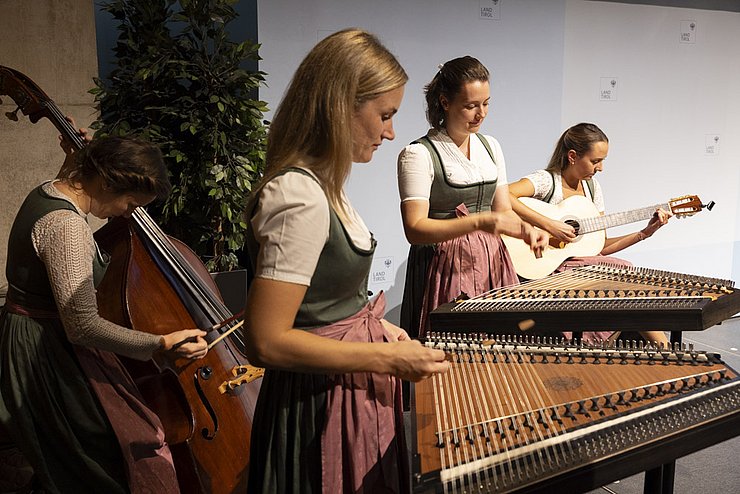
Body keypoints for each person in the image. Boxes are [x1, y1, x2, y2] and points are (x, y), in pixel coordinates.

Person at [242, 29, 449, 494]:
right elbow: (267, 343)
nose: (390, 132)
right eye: (384, 115)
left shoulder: (323, 187)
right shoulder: (298, 196)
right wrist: (387, 356)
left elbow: (331, 303)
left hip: (343, 389)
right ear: (340, 107)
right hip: (317, 404)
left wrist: (381, 330)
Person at [0, 132, 209, 494]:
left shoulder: (52, 189)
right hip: (45, 352)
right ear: (108, 182)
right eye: (130, 204)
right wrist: (160, 342)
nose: (129, 214)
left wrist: (80, 154)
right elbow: (82, 325)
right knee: (114, 450)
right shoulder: (67, 228)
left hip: (34, 335)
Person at [397, 56, 547, 339]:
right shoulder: (418, 154)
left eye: (486, 103)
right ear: (445, 102)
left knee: (497, 344)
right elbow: (415, 229)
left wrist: (527, 229)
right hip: (442, 267)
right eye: (471, 106)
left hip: (491, 259)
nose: (481, 114)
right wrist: (478, 223)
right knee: (451, 350)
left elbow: (503, 210)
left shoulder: (490, 147)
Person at [508, 122, 671, 345]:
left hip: (578, 266)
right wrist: (549, 225)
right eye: (595, 161)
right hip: (545, 268)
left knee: (625, 278)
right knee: (622, 272)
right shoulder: (547, 181)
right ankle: (666, 352)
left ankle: (659, 351)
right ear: (573, 156)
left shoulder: (592, 189)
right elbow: (504, 195)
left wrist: (644, 233)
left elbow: (600, 248)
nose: (601, 168)